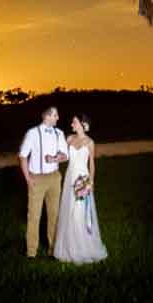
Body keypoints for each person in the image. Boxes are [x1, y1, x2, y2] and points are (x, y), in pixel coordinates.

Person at [53, 113, 108, 264]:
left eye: (74, 122)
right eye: (72, 122)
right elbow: (62, 155)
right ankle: (67, 247)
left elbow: (92, 164)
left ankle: (84, 246)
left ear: (83, 124)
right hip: (70, 178)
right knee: (68, 210)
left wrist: (91, 182)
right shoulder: (69, 139)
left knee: (80, 212)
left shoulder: (90, 142)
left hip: (82, 179)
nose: (72, 124)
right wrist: (53, 157)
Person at [18, 105, 68, 258]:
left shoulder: (59, 133)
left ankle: (53, 250)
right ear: (47, 116)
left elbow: (65, 155)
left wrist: (55, 158)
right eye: (55, 115)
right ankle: (31, 252)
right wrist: (28, 178)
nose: (58, 118)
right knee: (34, 216)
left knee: (54, 215)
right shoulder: (32, 133)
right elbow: (22, 156)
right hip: (37, 179)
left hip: (54, 177)